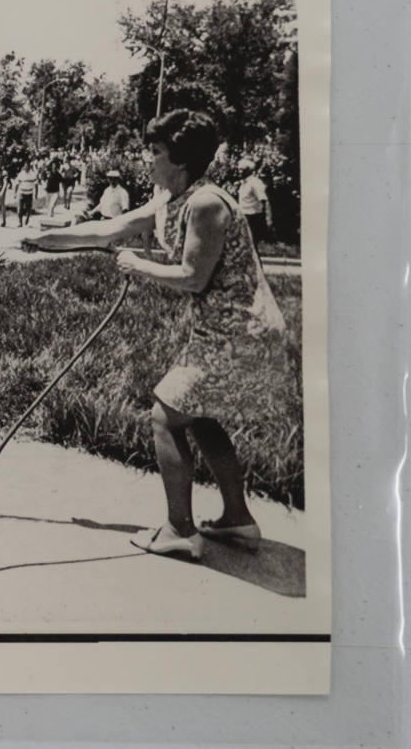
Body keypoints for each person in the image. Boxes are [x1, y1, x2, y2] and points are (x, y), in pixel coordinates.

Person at [24, 110, 286, 560]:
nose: (147, 159)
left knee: (165, 416)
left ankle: (179, 530)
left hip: (242, 331)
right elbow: (111, 228)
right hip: (221, 328)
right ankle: (238, 521)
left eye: (156, 152)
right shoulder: (170, 198)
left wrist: (135, 264)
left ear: (180, 161)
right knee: (199, 417)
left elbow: (192, 277)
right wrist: (46, 240)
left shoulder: (207, 203)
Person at [236, 156, 272, 247]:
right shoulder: (243, 184)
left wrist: (268, 219)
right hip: (244, 217)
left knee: (251, 245)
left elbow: (264, 201)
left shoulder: (255, 183)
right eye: (239, 169)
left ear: (249, 170)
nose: (239, 172)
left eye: (242, 169)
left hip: (253, 218)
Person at [14, 160, 38, 227]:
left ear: (30, 167)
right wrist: (15, 193)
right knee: (20, 209)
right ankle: (20, 222)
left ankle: (27, 220)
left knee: (28, 208)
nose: (26, 168)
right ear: (24, 167)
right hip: (21, 193)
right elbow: (16, 184)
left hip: (29, 193)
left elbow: (36, 184)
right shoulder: (21, 174)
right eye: (25, 166)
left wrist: (36, 194)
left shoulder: (33, 174)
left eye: (28, 166)